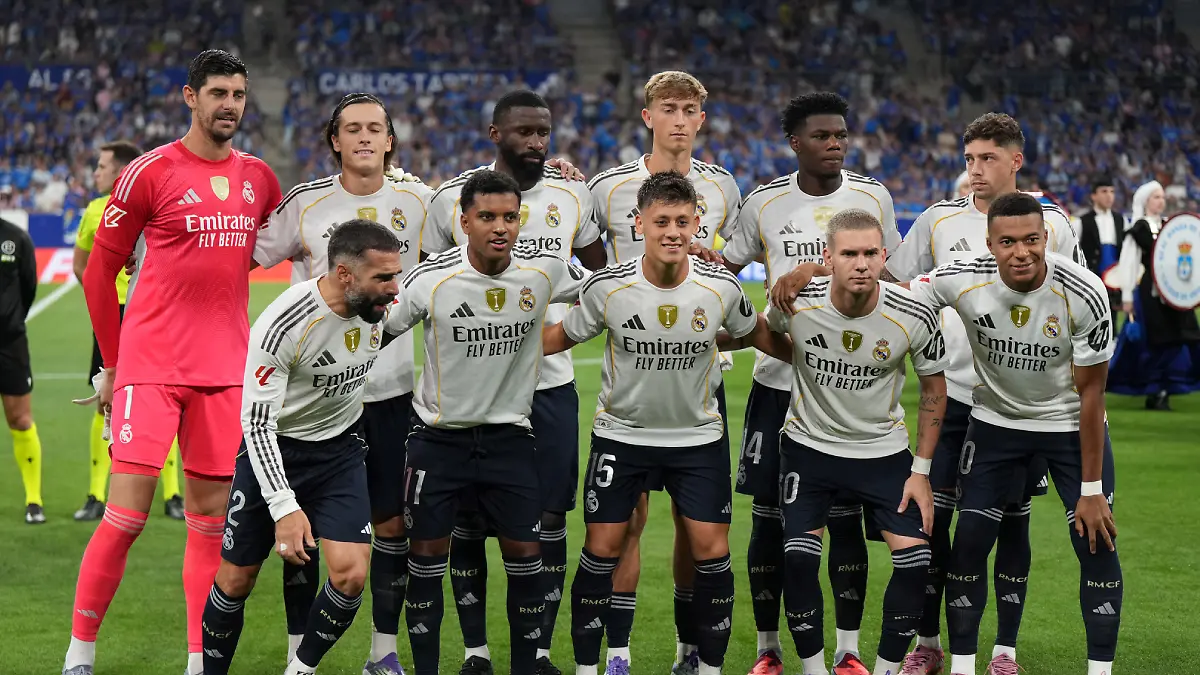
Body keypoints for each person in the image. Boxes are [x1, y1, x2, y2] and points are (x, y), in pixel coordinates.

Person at [775, 112, 1085, 675]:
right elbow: (891, 280)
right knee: (934, 524)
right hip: (958, 394)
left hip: (1011, 402)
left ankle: (1005, 651)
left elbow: (1069, 302)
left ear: (1016, 160)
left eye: (987, 158)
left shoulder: (1055, 223)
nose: (974, 171)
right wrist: (820, 273)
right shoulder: (939, 220)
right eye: (968, 159)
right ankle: (927, 642)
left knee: (1010, 520)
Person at [65, 49, 283, 675]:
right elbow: (100, 270)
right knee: (126, 515)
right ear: (190, 97)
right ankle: (80, 656)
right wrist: (112, 363)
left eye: (239, 94)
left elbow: (303, 226)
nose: (230, 105)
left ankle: (198, 661)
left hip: (224, 372)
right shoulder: (149, 172)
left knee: (209, 522)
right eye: (218, 92)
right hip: (151, 367)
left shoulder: (259, 178)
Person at [543, 170, 773, 675]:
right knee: (601, 549)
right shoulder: (608, 287)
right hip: (621, 437)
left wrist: (816, 358)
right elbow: (559, 337)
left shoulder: (719, 286)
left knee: (711, 553)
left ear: (697, 224)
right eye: (662, 220)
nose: (673, 231)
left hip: (696, 440)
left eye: (682, 221)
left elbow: (756, 331)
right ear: (639, 222)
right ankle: (593, 667)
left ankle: (704, 668)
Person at [423, 89, 605, 675]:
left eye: (543, 132)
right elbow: (429, 278)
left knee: (550, 518)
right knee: (468, 523)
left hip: (547, 384)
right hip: (474, 392)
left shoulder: (573, 194)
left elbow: (599, 271)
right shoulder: (453, 198)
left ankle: (539, 651)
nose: (536, 142)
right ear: (495, 133)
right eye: (523, 131)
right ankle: (476, 652)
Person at [900, 192, 1121, 675]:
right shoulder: (960, 276)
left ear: (1047, 238)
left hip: (1067, 425)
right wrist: (811, 274)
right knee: (970, 539)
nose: (1021, 252)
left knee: (1095, 539)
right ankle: (961, 666)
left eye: (1032, 240)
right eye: (1008, 242)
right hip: (996, 424)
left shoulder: (1083, 291)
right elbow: (889, 291)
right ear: (989, 244)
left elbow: (1091, 396)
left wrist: (1089, 490)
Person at [718, 91, 900, 675]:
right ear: (794, 143)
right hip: (779, 382)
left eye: (841, 134)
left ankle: (847, 652)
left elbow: (882, 272)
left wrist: (817, 267)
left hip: (849, 389)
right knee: (770, 518)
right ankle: (769, 650)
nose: (836, 144)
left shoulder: (873, 196)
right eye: (822, 136)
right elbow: (726, 267)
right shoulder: (764, 203)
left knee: (845, 522)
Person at [253, 91, 432, 675]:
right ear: (334, 140)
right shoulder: (306, 204)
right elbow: (241, 253)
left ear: (389, 139)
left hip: (392, 393)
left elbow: (476, 238)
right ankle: (296, 655)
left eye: (374, 128)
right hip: (316, 406)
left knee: (392, 526)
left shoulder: (420, 201)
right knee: (302, 538)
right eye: (350, 128)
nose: (362, 137)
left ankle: (383, 653)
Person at [388, 170, 589, 675]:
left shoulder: (544, 272)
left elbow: (609, 292)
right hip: (439, 440)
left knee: (527, 554)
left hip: (510, 440)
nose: (500, 227)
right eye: (487, 217)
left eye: (509, 217)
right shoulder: (431, 278)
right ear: (464, 221)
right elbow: (375, 325)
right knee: (427, 561)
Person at [585, 70, 742, 675]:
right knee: (624, 523)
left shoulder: (724, 188)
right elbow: (588, 252)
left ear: (702, 119)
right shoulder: (607, 188)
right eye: (668, 109)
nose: (679, 119)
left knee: (694, 525)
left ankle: (688, 652)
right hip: (630, 376)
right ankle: (619, 655)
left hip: (698, 378)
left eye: (690, 110)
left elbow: (727, 272)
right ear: (647, 117)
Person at [201, 219, 402, 675]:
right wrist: (284, 507)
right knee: (235, 581)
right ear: (345, 275)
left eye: (395, 275)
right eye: (383, 278)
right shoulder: (284, 324)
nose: (394, 289)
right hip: (275, 451)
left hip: (340, 452)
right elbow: (256, 424)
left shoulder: (377, 305)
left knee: (350, 575)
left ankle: (301, 670)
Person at [765, 209, 946, 675]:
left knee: (915, 560)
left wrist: (921, 472)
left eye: (870, 252)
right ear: (828, 257)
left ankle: (885, 669)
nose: (861, 263)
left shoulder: (914, 313)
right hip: (808, 449)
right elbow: (764, 336)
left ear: (885, 255)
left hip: (883, 454)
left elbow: (934, 391)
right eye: (849, 253)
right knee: (799, 560)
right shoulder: (796, 301)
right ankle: (814, 669)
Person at [72, 140, 185, 522]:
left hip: (148, 314)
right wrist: (102, 298)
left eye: (102, 166)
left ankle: (171, 493)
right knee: (104, 398)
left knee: (163, 398)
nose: (96, 173)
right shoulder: (93, 211)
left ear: (121, 170)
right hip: (111, 316)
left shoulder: (152, 202)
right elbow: (84, 267)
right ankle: (95, 492)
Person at [1108, 180, 1200, 409]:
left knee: (1180, 339)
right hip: (1151, 294)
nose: (1162, 201)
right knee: (1155, 342)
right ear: (1145, 201)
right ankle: (1155, 389)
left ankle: (1168, 387)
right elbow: (1128, 263)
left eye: (1162, 197)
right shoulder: (1138, 228)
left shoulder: (1171, 226)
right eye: (1156, 197)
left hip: (1174, 294)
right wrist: (1127, 295)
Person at [0, 214, 44, 524]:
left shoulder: (16, 238)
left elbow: (29, 286)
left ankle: (34, 500)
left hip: (9, 344)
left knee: (20, 419)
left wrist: (11, 320)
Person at [1077, 176, 1125, 320]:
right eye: (1104, 191)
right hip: (1092, 279)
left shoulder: (1121, 220)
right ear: (1094, 196)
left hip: (1115, 280)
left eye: (1112, 191)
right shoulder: (1082, 222)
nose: (1109, 195)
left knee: (1114, 318)